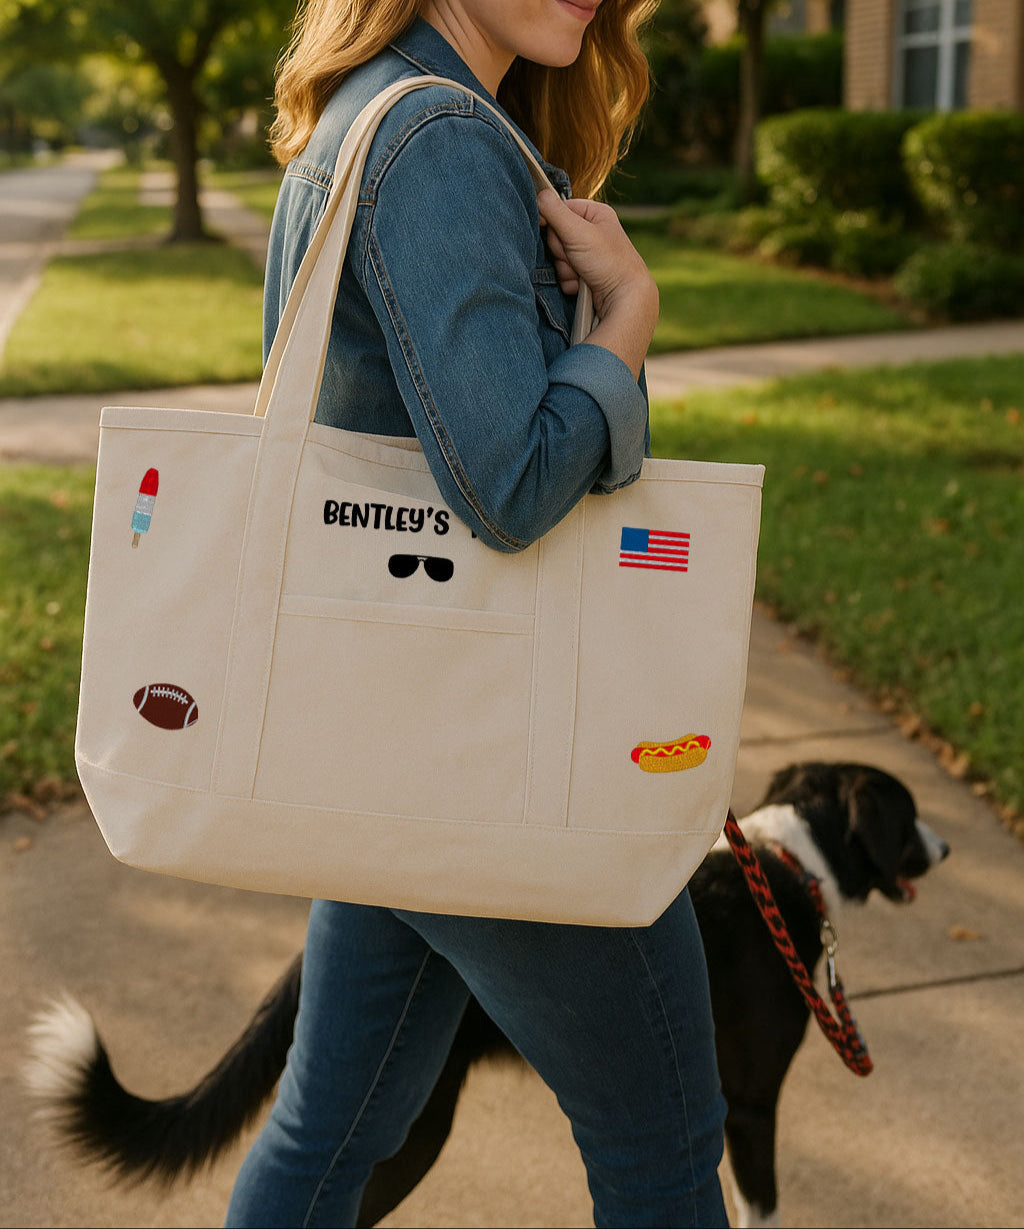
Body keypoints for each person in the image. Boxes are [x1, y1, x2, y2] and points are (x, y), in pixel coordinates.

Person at [225, 2, 729, 1225]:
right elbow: (509, 484)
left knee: (329, 1127)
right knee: (661, 1140)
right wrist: (626, 321)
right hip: (496, 745)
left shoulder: (375, 115)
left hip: (394, 733)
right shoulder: (439, 139)